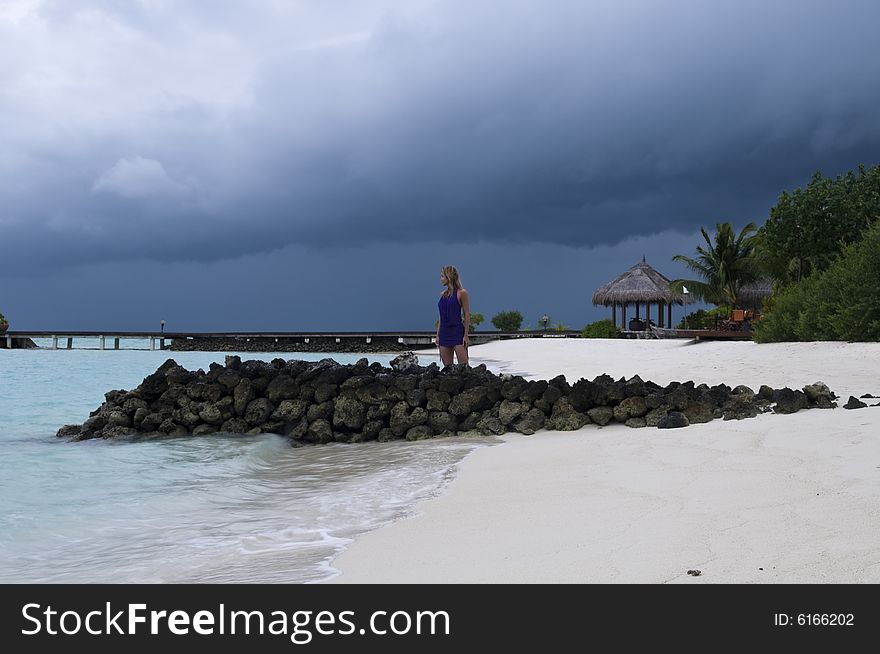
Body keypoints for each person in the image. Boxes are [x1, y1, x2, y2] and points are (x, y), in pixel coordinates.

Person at [436, 265, 470, 366]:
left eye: (442, 276)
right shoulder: (443, 295)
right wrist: (437, 335)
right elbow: (441, 317)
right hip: (444, 333)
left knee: (464, 368)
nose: (441, 279)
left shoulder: (462, 293)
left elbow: (467, 315)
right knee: (448, 369)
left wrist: (466, 335)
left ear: (449, 277)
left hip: (457, 333)